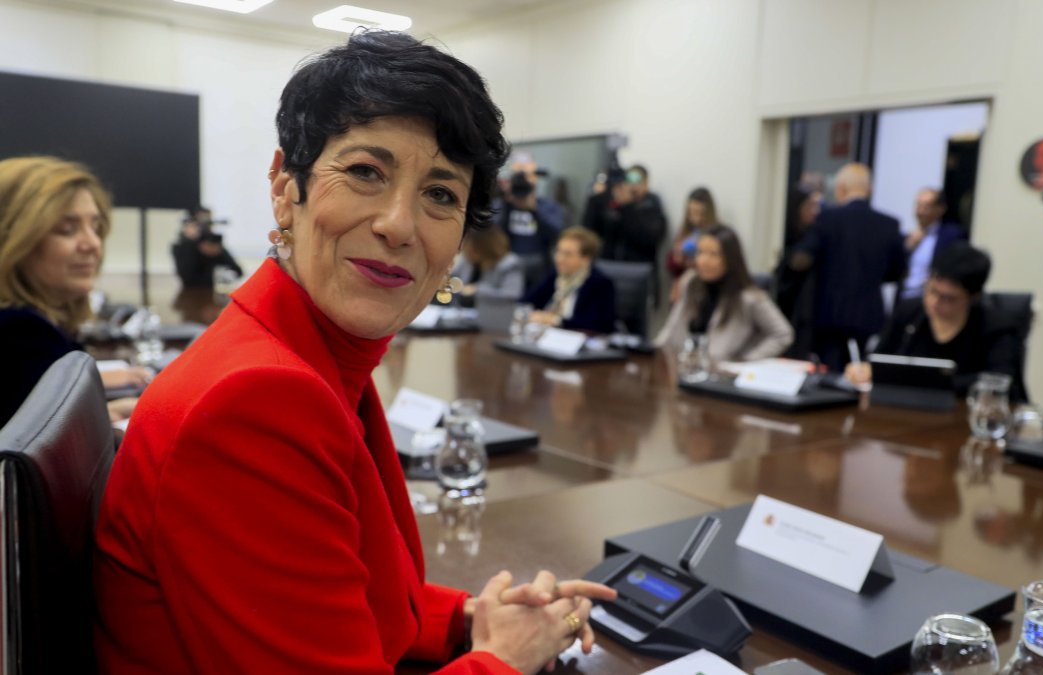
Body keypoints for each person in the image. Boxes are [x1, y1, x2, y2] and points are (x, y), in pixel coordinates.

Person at [94, 31, 615, 675]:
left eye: (441, 194)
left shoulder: (306, 352)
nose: (400, 224)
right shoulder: (254, 400)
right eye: (366, 172)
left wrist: (467, 618)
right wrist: (501, 659)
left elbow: (345, 579)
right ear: (287, 188)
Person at [0, 155, 151, 426]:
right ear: (12, 241)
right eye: (67, 230)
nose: (93, 243)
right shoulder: (21, 334)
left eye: (95, 227)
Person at [845, 242, 1027, 400]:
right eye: (931, 290)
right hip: (905, 414)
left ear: (974, 297)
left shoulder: (997, 327)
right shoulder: (909, 311)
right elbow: (880, 360)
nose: (934, 302)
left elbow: (1000, 381)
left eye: (949, 298)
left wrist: (924, 383)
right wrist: (865, 369)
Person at [798, 163, 906, 371]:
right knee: (861, 372)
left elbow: (805, 257)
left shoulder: (827, 219)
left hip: (830, 312)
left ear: (841, 188)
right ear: (869, 190)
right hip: (869, 313)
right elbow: (898, 271)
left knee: (828, 372)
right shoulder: (889, 224)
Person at [656, 224, 794, 362]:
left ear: (730, 259)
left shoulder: (748, 297)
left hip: (723, 374)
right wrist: (652, 352)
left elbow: (783, 334)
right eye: (700, 252)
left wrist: (748, 359)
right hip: (687, 367)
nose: (703, 260)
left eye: (713, 254)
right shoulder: (690, 283)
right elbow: (672, 328)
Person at [583, 165, 667, 302]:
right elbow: (589, 235)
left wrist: (628, 207)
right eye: (629, 181)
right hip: (607, 272)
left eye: (638, 181)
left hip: (638, 276)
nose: (632, 187)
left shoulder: (652, 208)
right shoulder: (606, 205)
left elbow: (650, 240)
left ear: (646, 184)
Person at [523, 226, 617, 334]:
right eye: (558, 251)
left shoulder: (599, 283)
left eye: (567, 254)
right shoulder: (556, 275)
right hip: (544, 334)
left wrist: (556, 320)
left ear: (586, 259)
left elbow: (598, 324)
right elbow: (526, 303)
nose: (559, 258)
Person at [494, 156, 564, 276]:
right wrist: (506, 202)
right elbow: (492, 232)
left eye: (528, 176)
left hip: (539, 264)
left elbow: (557, 233)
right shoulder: (502, 205)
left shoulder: (547, 206)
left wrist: (534, 210)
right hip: (507, 261)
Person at [773, 187, 822, 356]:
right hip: (788, 314)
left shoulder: (813, 239)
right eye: (810, 206)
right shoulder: (787, 241)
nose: (815, 212)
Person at [900, 188, 966, 300]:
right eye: (918, 206)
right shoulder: (908, 237)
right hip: (905, 297)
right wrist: (908, 247)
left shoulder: (952, 235)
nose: (920, 212)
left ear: (940, 209)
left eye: (926, 207)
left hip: (931, 299)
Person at [665, 187, 720, 301]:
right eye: (693, 213)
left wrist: (697, 259)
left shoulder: (718, 235)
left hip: (706, 292)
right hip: (681, 292)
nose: (697, 218)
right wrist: (678, 257)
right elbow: (671, 266)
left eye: (702, 213)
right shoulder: (684, 233)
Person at [171, 205, 244, 289]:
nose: (205, 227)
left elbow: (238, 271)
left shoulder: (215, 245)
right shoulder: (182, 246)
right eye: (201, 223)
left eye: (208, 222)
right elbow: (188, 278)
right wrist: (191, 243)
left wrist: (217, 254)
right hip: (191, 294)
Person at [450, 225, 524, 305]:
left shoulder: (510, 264)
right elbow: (454, 278)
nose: (465, 249)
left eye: (470, 246)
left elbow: (511, 295)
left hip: (492, 311)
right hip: (460, 309)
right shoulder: (467, 261)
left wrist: (477, 289)